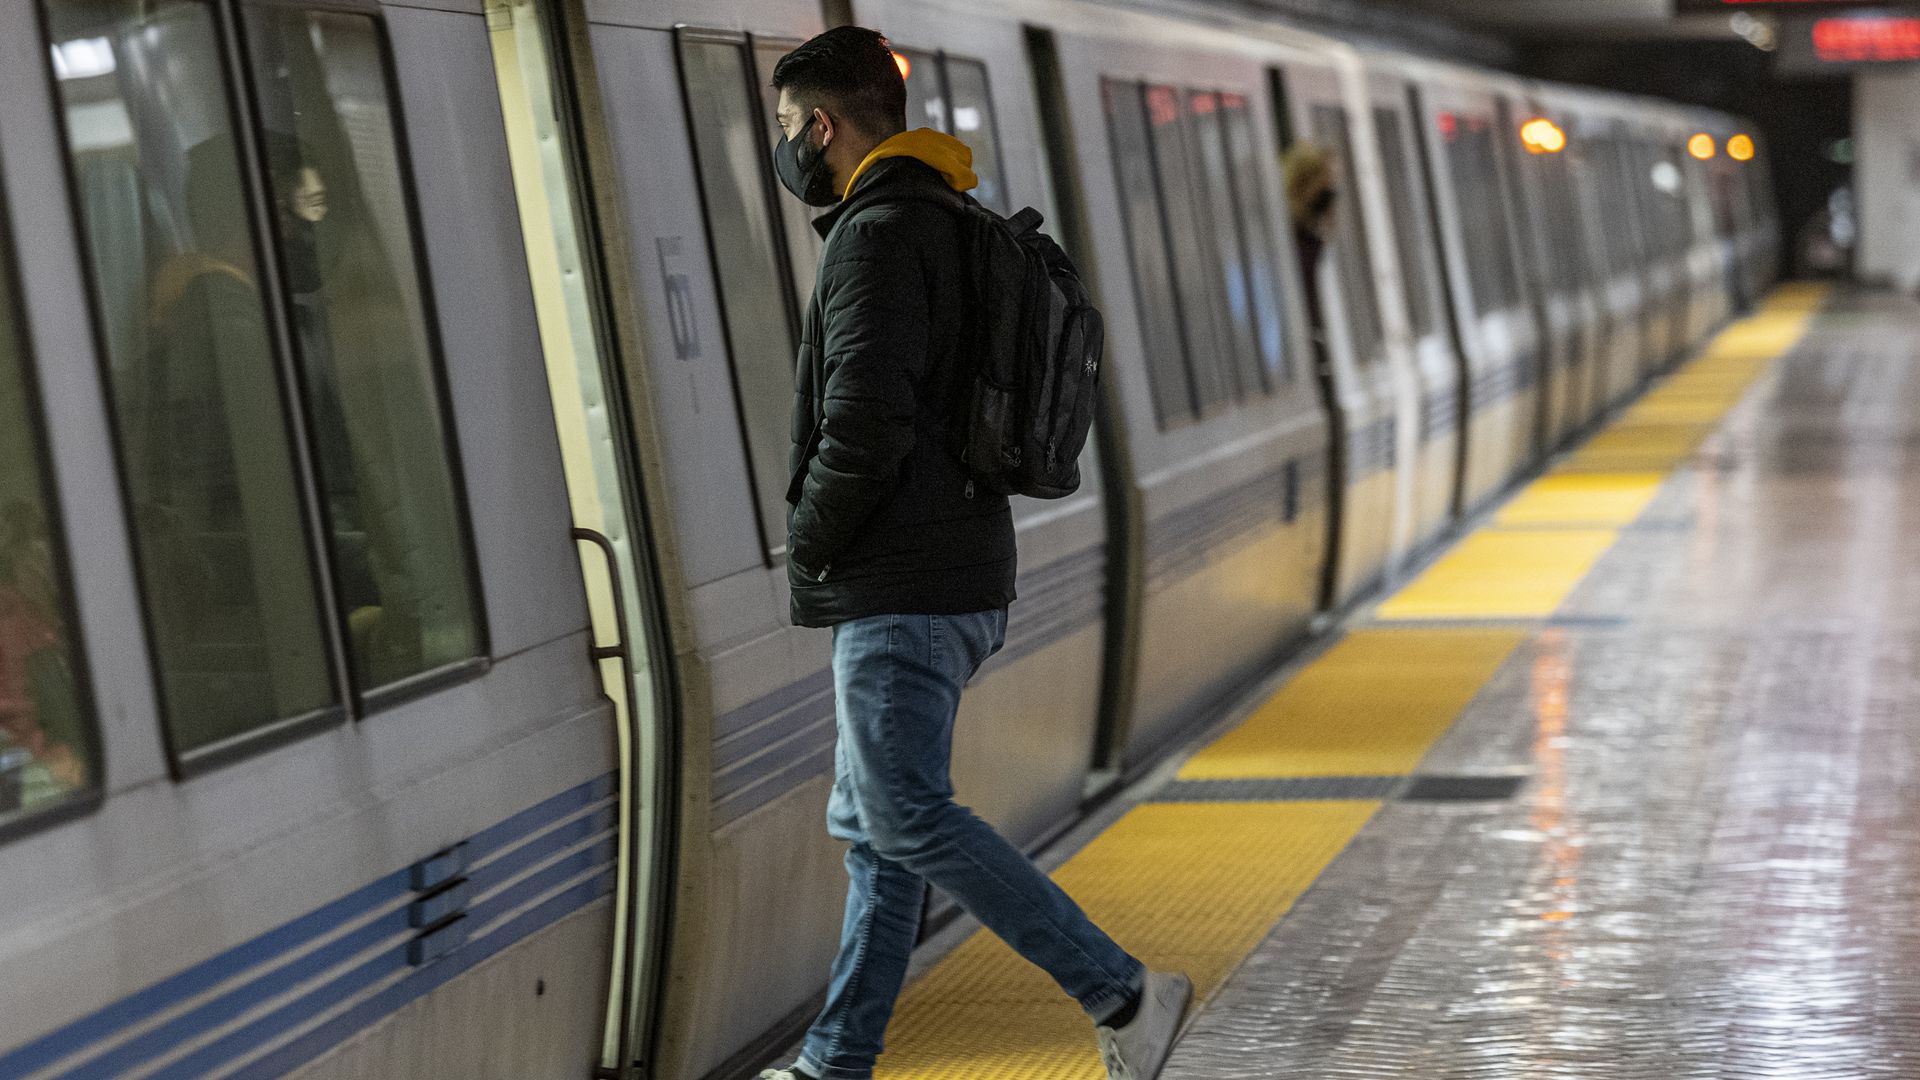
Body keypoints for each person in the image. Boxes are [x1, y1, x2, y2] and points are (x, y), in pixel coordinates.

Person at [762, 26, 1190, 1080]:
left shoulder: (876, 233)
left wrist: (808, 546)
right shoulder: (947, 215)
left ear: (823, 124)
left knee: (905, 815)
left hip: (900, 584)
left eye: (787, 130)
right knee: (879, 831)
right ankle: (836, 1060)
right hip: (951, 569)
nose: (787, 150)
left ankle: (1125, 993)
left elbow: (863, 421)